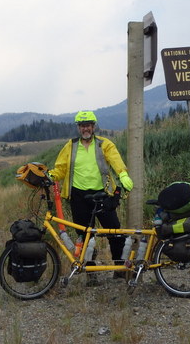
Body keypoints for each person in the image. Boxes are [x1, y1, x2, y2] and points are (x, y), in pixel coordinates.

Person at [48, 110, 133, 281]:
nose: (85, 128)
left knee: (115, 232)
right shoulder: (70, 146)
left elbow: (116, 160)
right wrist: (50, 176)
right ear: (78, 128)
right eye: (82, 125)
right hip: (78, 197)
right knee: (85, 236)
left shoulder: (104, 144)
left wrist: (123, 174)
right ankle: (90, 272)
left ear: (93, 127)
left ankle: (119, 269)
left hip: (102, 195)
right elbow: (60, 169)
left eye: (88, 125)